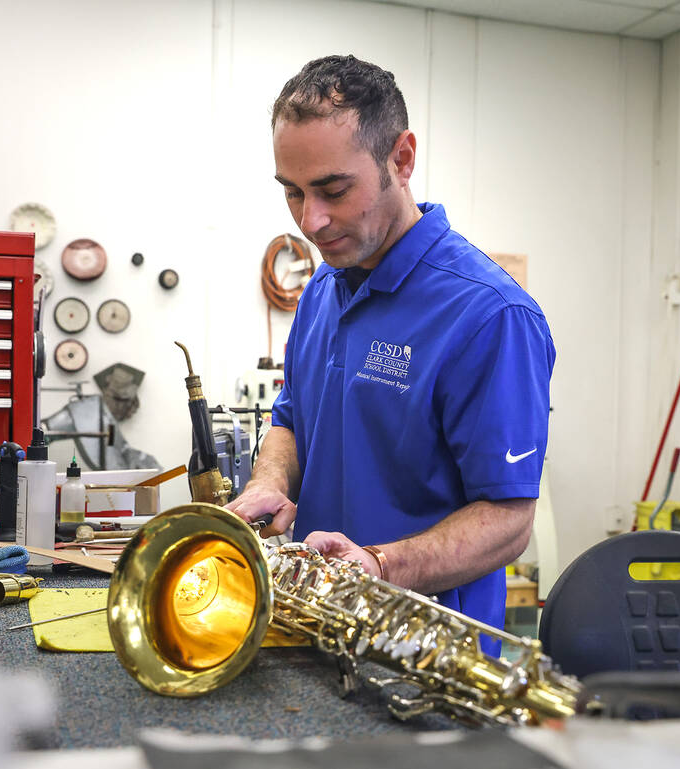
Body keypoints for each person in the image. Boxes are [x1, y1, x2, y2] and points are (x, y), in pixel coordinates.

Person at [226, 55, 555, 653]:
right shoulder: (322, 289)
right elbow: (291, 419)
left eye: (332, 189)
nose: (311, 220)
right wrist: (268, 481)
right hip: (314, 635)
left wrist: (379, 565)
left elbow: (509, 522)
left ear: (401, 160)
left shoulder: (489, 316)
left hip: (425, 657)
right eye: (292, 193)